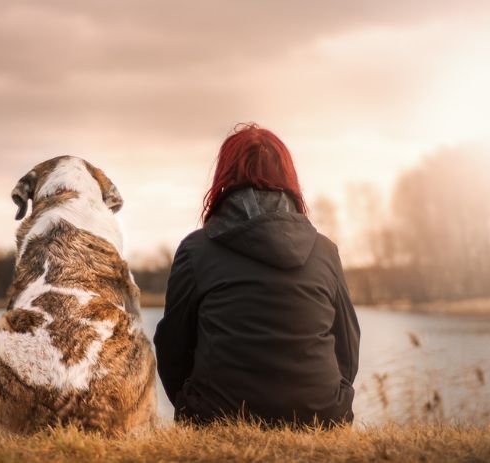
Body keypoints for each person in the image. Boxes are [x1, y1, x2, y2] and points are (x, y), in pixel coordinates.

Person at [153, 123, 360, 427]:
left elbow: (172, 346)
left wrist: (191, 403)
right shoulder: (325, 251)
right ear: (288, 178)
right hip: (321, 417)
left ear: (224, 178)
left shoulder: (196, 250)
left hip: (217, 417)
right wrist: (331, 399)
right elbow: (348, 346)